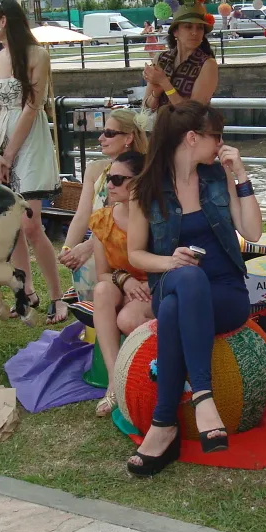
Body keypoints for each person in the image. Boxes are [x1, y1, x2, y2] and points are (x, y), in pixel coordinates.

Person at [125, 102, 262, 476]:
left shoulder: (217, 177)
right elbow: (135, 254)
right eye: (216, 136)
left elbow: (253, 233)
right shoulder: (146, 189)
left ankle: (163, 423)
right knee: (186, 277)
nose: (221, 143)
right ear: (191, 138)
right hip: (173, 282)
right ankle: (203, 397)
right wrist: (170, 260)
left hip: (226, 294)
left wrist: (241, 174)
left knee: (172, 310)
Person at [0, 0, 67, 324]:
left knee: (31, 224)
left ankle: (58, 296)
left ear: (3, 21)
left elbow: (33, 106)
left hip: (29, 140)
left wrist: (9, 154)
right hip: (0, 135)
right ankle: (26, 291)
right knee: (13, 224)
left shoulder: (37, 55)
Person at [87, 150, 154, 416]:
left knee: (127, 319)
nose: (110, 185)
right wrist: (124, 280)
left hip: (154, 286)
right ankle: (116, 383)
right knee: (102, 290)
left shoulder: (155, 216)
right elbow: (102, 273)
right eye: (108, 178)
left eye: (117, 179)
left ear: (139, 181)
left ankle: (147, 378)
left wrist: (143, 286)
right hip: (123, 287)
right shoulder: (103, 220)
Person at [58, 108, 149, 300]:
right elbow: (82, 215)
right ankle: (94, 323)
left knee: (89, 262)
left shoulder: (146, 172)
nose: (100, 138)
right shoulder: (94, 169)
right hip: (101, 243)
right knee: (81, 262)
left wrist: (88, 246)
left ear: (128, 138)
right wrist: (68, 249)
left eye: (109, 133)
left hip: (132, 247)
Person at [142, 3, 219, 110]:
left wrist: (165, 83)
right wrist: (156, 93)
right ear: (175, 32)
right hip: (159, 126)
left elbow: (193, 113)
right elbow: (145, 107)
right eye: (188, 27)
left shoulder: (207, 64)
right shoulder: (161, 59)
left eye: (200, 28)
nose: (194, 32)